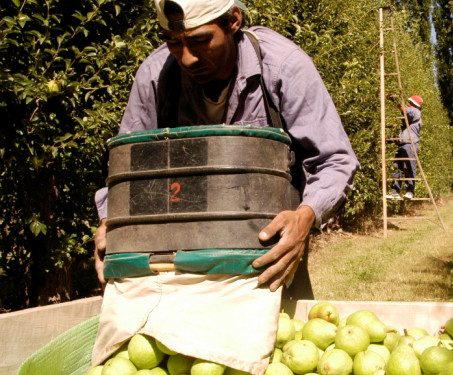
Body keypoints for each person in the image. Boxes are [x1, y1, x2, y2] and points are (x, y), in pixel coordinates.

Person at [90, 0, 359, 372]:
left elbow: (334, 159)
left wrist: (305, 217)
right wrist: (112, 221)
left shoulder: (282, 68)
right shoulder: (157, 76)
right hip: (179, 261)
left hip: (265, 256)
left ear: (233, 20)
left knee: (280, 350)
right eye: (172, 42)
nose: (186, 58)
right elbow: (127, 168)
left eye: (200, 41)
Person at [386, 94, 423, 200]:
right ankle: (395, 192)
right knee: (397, 168)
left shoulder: (415, 111)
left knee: (409, 167)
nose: (408, 104)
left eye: (409, 102)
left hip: (409, 145)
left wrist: (395, 99)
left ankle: (410, 191)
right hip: (402, 144)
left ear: (413, 104)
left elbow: (403, 108)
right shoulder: (409, 119)